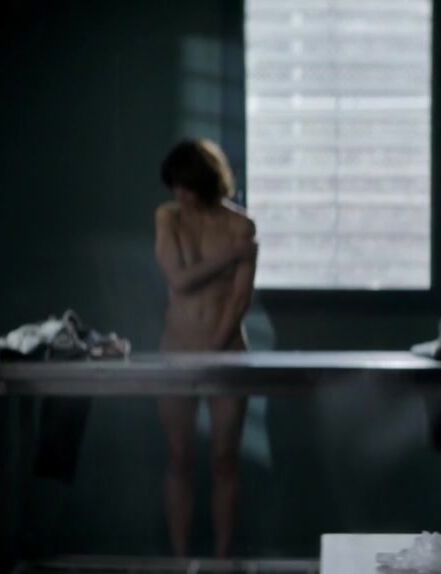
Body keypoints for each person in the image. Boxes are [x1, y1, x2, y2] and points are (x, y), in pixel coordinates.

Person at [154, 138, 258, 557]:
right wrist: (232, 256)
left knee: (225, 459)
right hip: (176, 349)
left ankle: (222, 560)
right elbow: (179, 280)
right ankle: (181, 560)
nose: (180, 194)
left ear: (207, 182)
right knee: (180, 456)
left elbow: (240, 300)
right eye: (175, 186)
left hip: (226, 351)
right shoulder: (169, 218)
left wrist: (213, 351)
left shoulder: (241, 227)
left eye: (188, 186)